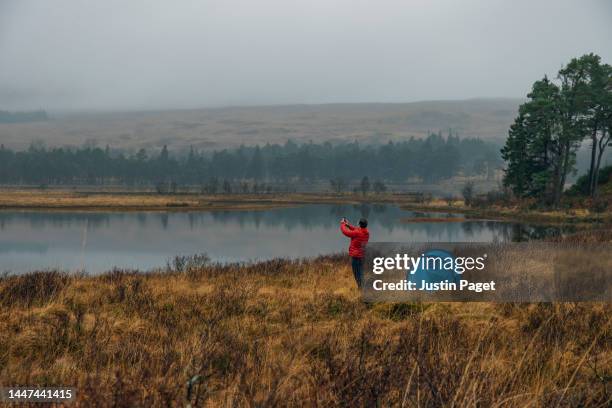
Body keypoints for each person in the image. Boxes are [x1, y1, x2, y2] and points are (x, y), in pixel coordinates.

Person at [340, 217, 369, 288]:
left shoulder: (357, 233)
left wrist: (342, 224)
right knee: (361, 273)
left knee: (357, 274)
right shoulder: (366, 232)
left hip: (356, 256)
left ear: (359, 224)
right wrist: (348, 225)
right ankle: (363, 288)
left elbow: (345, 232)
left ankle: (361, 289)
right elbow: (356, 230)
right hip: (361, 255)